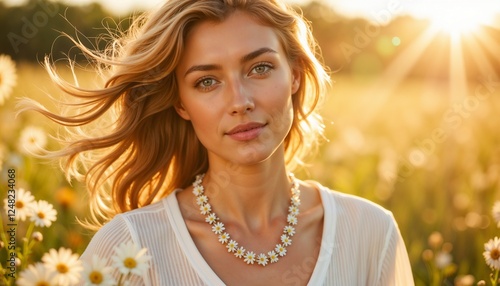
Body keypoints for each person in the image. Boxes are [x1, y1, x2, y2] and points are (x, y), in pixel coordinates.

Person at [29, 0, 414, 284]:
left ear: (294, 75)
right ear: (181, 103)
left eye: (259, 68)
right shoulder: (128, 247)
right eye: (207, 81)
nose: (240, 101)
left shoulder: (371, 233)